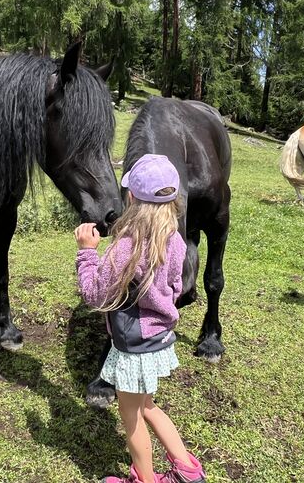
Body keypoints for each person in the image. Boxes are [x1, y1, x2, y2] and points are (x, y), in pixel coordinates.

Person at [74, 154, 206, 483]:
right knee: (148, 406)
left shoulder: (127, 247)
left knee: (130, 415)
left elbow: (94, 294)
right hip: (159, 339)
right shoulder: (175, 240)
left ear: (131, 197)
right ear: (173, 198)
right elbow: (176, 286)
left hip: (134, 346)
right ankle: (188, 471)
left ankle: (145, 479)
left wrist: (87, 251)